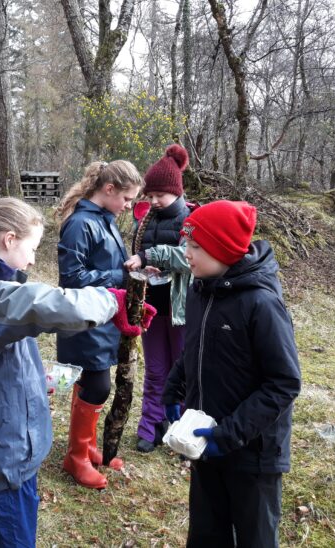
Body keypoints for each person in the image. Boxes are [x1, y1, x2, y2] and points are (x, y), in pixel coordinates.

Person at [0, 197, 138, 547]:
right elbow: (51, 304)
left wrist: (37, 381)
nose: (33, 258)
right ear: (9, 240)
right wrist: (113, 300)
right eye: (32, 247)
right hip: (4, 450)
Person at [161, 200, 301, 547]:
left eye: (195, 246)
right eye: (186, 244)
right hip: (205, 440)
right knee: (207, 534)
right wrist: (174, 388)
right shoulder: (199, 290)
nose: (186, 253)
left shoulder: (261, 304)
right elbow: (194, 349)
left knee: (253, 538)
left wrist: (228, 435)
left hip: (253, 455)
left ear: (223, 249)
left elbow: (283, 383)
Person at [55, 159, 144, 489]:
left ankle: (88, 447)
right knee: (97, 386)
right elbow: (72, 277)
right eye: (127, 198)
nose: (129, 206)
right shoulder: (80, 223)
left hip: (102, 317)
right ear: (108, 190)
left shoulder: (104, 219)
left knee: (93, 384)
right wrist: (119, 274)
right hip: (83, 320)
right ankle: (75, 458)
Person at [122, 144, 193, 453]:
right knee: (155, 371)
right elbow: (137, 251)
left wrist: (151, 256)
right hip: (150, 306)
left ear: (175, 191)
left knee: (182, 370)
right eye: (149, 196)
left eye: (158, 196)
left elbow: (188, 257)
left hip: (180, 309)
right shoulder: (145, 219)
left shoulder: (191, 219)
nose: (153, 202)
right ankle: (151, 426)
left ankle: (183, 430)